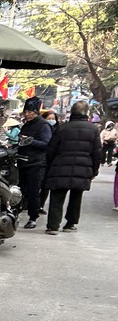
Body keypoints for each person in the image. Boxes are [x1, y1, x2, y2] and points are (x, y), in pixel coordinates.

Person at [43, 100, 102, 235]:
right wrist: (94, 169)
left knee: (57, 196)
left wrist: (51, 165)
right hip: (83, 167)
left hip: (60, 166)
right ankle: (70, 224)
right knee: (76, 197)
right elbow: (97, 152)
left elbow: (51, 149)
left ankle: (53, 226)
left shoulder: (62, 128)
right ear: (86, 113)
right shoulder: (93, 129)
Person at [16, 98, 53, 229]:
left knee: (33, 192)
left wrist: (31, 141)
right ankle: (15, 213)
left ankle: (33, 217)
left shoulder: (43, 125)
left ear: (36, 112)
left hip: (36, 163)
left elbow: (47, 144)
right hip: (23, 161)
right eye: (25, 111)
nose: (26, 114)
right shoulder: (26, 125)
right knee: (20, 190)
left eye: (29, 111)